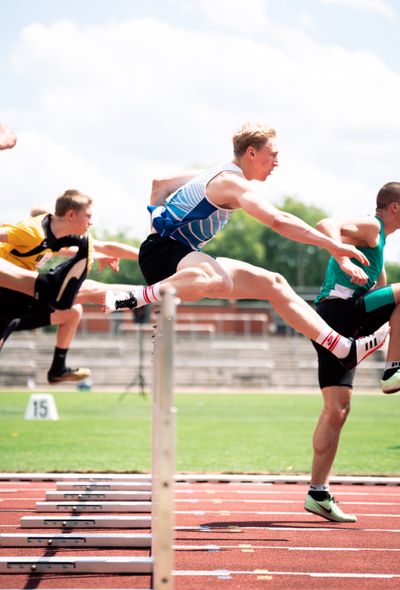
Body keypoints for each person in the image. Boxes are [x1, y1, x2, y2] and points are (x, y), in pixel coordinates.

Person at [103, 122, 388, 369]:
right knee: (215, 277)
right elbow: (278, 220)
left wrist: (154, 230)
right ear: (251, 152)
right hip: (165, 254)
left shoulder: (216, 173)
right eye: (272, 156)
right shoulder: (232, 183)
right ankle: (136, 296)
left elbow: (159, 184)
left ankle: (342, 349)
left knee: (275, 284)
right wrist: (333, 247)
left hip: (179, 256)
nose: (276, 163)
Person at [304, 181, 400, 523]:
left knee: (337, 410)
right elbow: (325, 225)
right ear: (394, 207)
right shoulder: (372, 227)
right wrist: (341, 256)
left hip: (337, 321)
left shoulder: (381, 244)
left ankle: (318, 492)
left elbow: (383, 292)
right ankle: (393, 368)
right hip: (337, 313)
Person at [0, 189, 139, 383]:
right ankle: (149, 295)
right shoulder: (31, 232)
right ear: (71, 215)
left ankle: (58, 369)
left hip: (21, 302)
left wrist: (148, 257)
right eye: (88, 216)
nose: (91, 222)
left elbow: (105, 247)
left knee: (73, 311)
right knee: (87, 289)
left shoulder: (59, 235)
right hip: (7, 293)